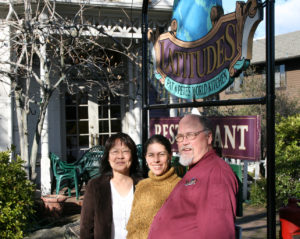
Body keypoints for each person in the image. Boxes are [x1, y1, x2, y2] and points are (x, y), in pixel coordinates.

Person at [148, 114, 238, 239]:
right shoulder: (196, 169)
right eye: (180, 137)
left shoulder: (216, 174)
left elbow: (218, 233)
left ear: (209, 137)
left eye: (191, 135)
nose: (184, 142)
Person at [80, 132, 143, 239]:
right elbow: (86, 227)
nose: (120, 156)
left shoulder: (143, 185)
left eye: (125, 151)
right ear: (108, 157)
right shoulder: (95, 186)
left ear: (132, 156)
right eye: (115, 152)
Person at [126, 135, 181, 239]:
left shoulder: (181, 187)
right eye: (151, 155)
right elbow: (132, 227)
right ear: (146, 158)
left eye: (161, 154)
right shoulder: (142, 186)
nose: (156, 160)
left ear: (170, 156)